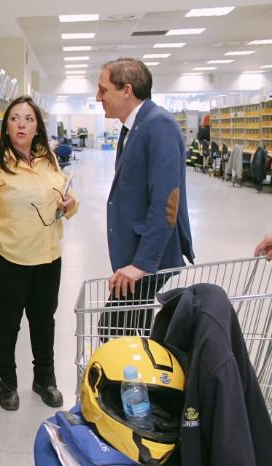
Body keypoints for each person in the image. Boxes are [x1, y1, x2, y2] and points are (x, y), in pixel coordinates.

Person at [0, 95, 79, 411]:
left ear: (37, 127)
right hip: (8, 255)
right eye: (15, 118)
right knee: (8, 323)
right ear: (6, 126)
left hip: (47, 254)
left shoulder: (48, 159)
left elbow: (65, 193)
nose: (21, 124)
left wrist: (70, 204)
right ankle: (7, 385)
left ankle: (45, 380)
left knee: (44, 321)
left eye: (28, 119)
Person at [95, 58, 194, 337]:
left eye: (103, 90)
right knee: (125, 332)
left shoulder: (159, 125)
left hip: (147, 258)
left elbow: (167, 200)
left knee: (115, 331)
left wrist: (142, 264)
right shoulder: (134, 126)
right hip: (136, 253)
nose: (98, 97)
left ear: (126, 90)